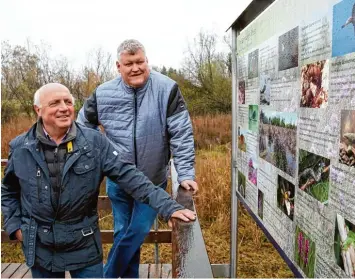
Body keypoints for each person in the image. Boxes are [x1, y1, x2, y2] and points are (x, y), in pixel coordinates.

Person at [1, 83, 196, 278]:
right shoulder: (21, 147)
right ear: (38, 110)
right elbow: (9, 190)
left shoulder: (94, 142)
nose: (64, 108)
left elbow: (130, 177)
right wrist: (16, 228)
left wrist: (168, 206)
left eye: (68, 102)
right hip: (40, 246)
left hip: (83, 243)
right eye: (55, 103)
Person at [77, 39, 198, 278]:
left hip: (152, 180)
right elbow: (83, 127)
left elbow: (181, 134)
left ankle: (108, 275)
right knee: (123, 230)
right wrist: (96, 159)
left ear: (147, 61)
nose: (135, 68)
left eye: (139, 61)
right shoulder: (103, 94)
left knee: (138, 229)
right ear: (118, 66)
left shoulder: (167, 89)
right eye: (129, 63)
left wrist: (185, 173)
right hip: (117, 180)